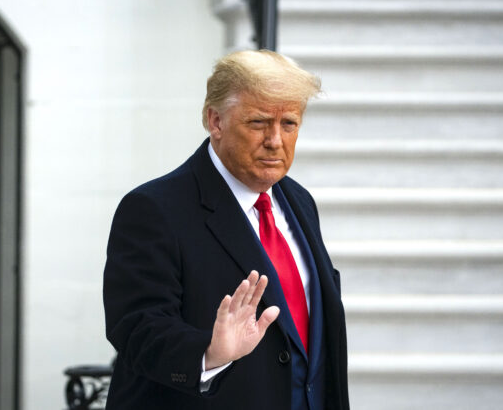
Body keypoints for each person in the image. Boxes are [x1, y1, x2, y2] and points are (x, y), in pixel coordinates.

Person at [103, 50, 349, 410]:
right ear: (215, 121)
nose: (275, 140)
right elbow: (137, 328)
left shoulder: (299, 200)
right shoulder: (153, 208)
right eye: (258, 123)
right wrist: (208, 354)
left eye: (289, 124)